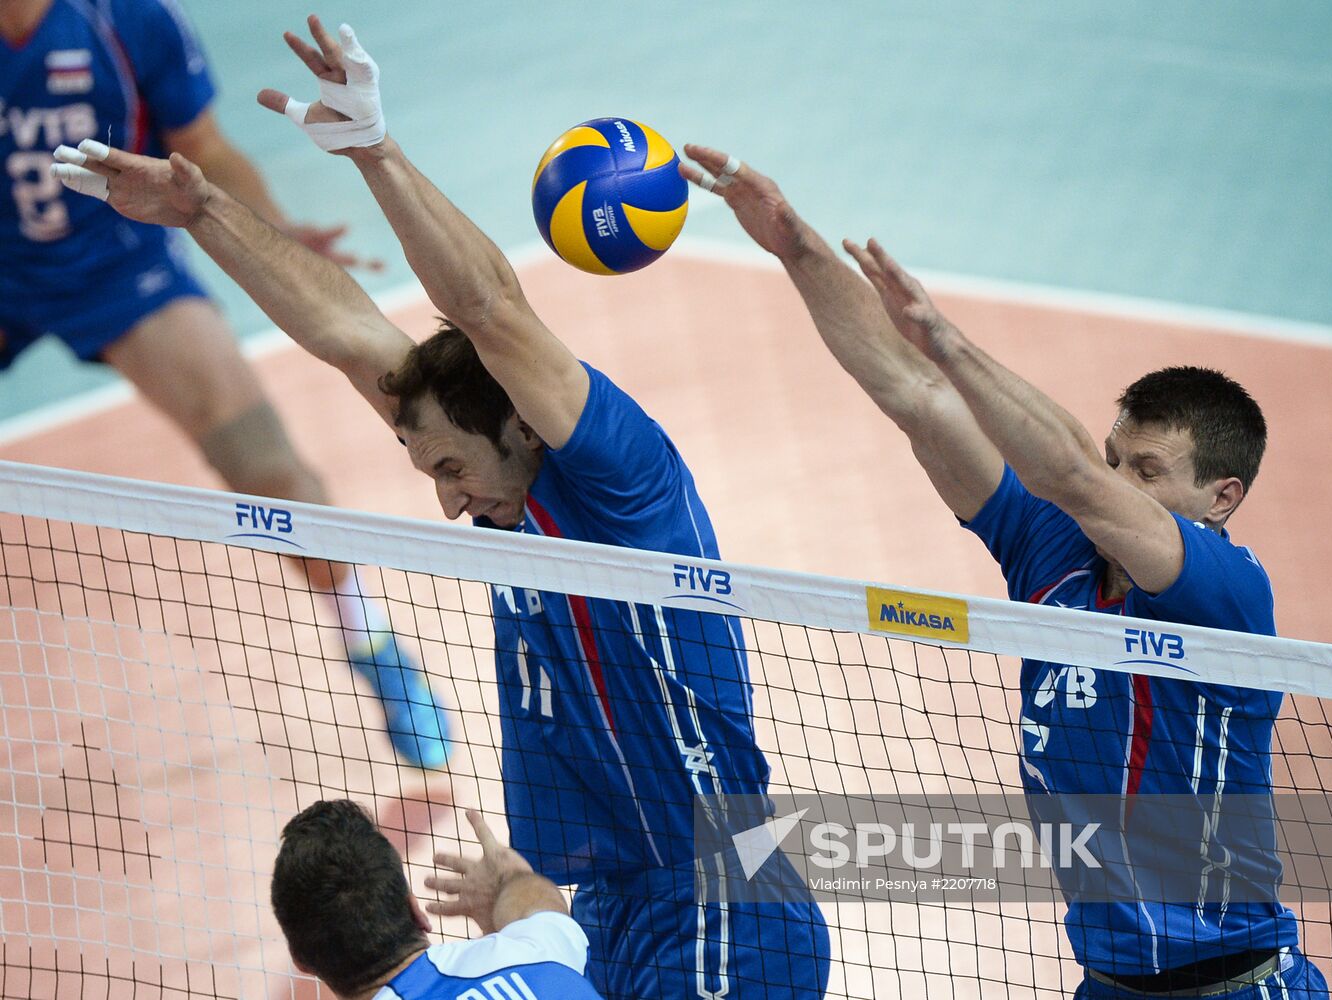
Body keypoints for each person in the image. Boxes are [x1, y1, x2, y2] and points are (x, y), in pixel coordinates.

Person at [51, 19, 830, 1000]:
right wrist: (203, 212)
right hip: (610, 905)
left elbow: (492, 311)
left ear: (520, 425)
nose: (450, 503)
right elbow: (346, 330)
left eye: (453, 467)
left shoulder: (621, 483)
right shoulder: (494, 483)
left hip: (725, 896)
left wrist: (376, 151)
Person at [678, 147, 1331, 997]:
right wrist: (794, 246)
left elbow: (1072, 475)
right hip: (1107, 983)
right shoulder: (1053, 553)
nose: (1120, 484)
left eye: (1147, 472)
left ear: (1221, 497)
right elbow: (916, 395)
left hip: (1240, 986)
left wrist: (950, 342)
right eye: (1117, 461)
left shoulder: (1225, 593)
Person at [0, 0, 452, 769]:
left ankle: (371, 641)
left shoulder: (129, 18)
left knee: (269, 468)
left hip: (120, 269)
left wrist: (279, 232)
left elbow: (203, 145)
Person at [272, 801, 602, 999]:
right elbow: (543, 908)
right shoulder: (533, 955)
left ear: (301, 960)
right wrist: (509, 879)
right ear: (415, 910)